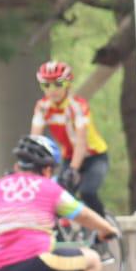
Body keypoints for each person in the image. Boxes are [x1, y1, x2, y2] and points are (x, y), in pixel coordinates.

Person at [0, 135, 118, 271]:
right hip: (35, 262)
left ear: (17, 166)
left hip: (0, 269)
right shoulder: (49, 188)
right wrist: (107, 229)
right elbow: (83, 215)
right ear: (47, 169)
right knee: (92, 261)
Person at [30, 61, 111, 222]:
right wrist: (30, 166)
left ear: (67, 84)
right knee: (57, 199)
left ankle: (103, 228)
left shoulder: (77, 106)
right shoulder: (43, 107)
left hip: (94, 156)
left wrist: (73, 170)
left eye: (58, 84)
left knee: (87, 192)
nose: (52, 90)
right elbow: (35, 140)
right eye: (46, 85)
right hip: (69, 156)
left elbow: (81, 142)